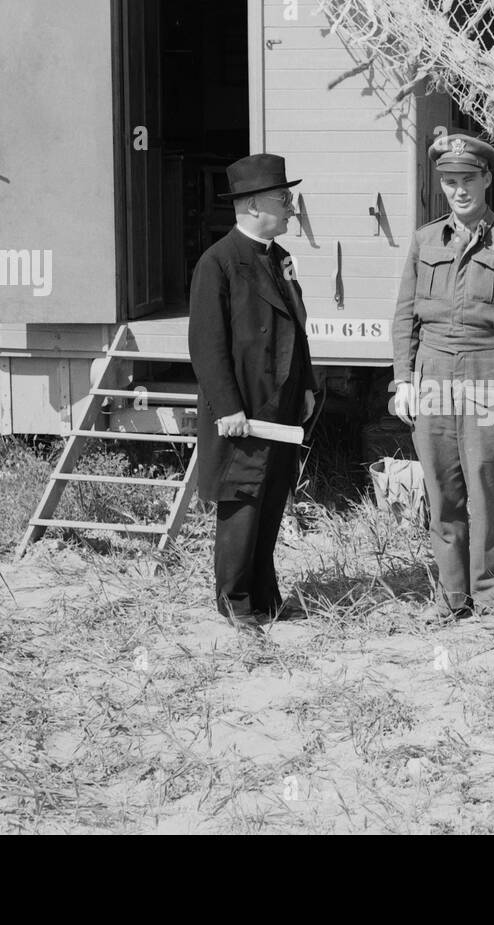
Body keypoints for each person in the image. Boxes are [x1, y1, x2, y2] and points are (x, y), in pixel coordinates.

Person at [391, 133, 494, 623]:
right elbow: (404, 319)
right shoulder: (424, 240)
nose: (458, 190)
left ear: (486, 178)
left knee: (486, 490)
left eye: (467, 180)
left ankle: (490, 597)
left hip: (488, 372)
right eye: (449, 181)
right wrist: (403, 380)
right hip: (434, 375)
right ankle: (451, 596)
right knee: (442, 491)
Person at [188, 153, 317, 630]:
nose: (290, 207)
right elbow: (206, 345)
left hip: (281, 406)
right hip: (243, 411)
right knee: (241, 505)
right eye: (283, 199)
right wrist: (228, 408)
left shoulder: (279, 258)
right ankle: (235, 602)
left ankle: (266, 597)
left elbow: (298, 330)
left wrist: (306, 386)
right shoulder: (218, 262)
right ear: (253, 205)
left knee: (271, 502)